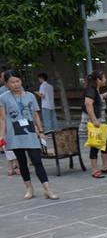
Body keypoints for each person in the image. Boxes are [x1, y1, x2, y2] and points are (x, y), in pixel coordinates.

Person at [0, 70, 58, 200]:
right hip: (14, 134)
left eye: (17, 81)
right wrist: (1, 135)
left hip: (30, 132)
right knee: (22, 163)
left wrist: (41, 131)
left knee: (37, 161)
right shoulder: (3, 97)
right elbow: (2, 118)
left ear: (21, 81)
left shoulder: (30, 96)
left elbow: (35, 115)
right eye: (12, 82)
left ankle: (47, 189)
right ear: (7, 84)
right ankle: (29, 188)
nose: (16, 84)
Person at [82, 70, 107, 179]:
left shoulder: (95, 90)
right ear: (98, 80)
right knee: (95, 144)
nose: (106, 79)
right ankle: (94, 169)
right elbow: (88, 103)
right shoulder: (91, 89)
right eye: (104, 78)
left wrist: (105, 95)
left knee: (106, 143)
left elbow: (97, 99)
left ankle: (105, 167)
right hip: (94, 121)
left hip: (100, 121)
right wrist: (94, 120)